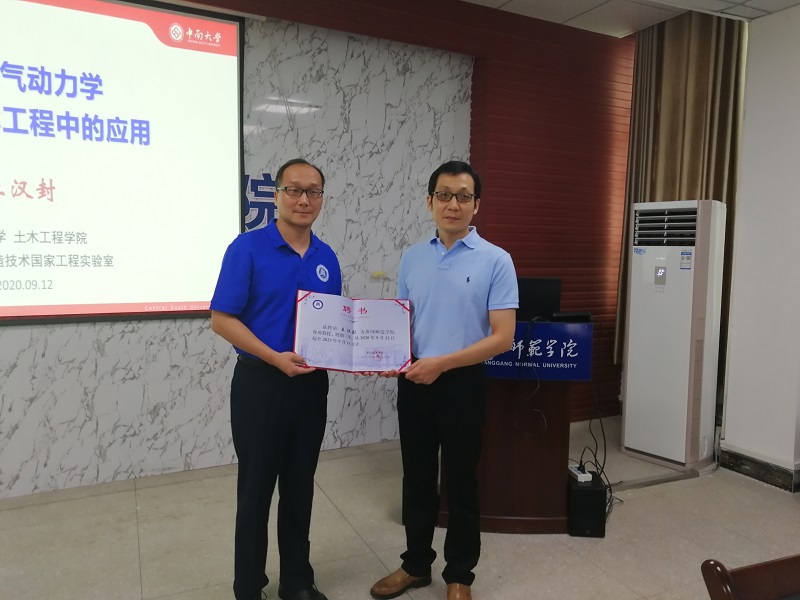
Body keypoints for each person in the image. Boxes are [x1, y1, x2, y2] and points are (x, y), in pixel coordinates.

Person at [369, 161, 518, 600]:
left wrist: (443, 364)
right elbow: (402, 320)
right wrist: (388, 356)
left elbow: (503, 338)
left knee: (462, 479)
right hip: (415, 380)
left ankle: (459, 575)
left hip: (462, 384)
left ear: (476, 205)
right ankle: (415, 564)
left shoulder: (496, 260)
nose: (453, 204)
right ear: (429, 201)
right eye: (444, 195)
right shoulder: (413, 257)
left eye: (463, 196)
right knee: (416, 478)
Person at [210, 158, 340, 600]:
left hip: (311, 387)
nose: (304, 199)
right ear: (277, 195)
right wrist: (273, 358)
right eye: (294, 190)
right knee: (256, 491)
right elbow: (222, 319)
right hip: (260, 385)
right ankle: (248, 587)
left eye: (313, 191)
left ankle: (297, 581)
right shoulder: (246, 248)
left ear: (321, 198)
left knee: (300, 487)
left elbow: (333, 326)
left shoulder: (326, 257)